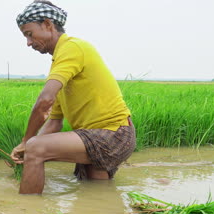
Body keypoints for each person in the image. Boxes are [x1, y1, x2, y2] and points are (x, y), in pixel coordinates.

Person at [10, 0, 136, 194]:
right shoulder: (61, 61)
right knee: (95, 192)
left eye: (29, 34)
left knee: (36, 148)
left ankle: (28, 213)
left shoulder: (72, 48)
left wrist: (28, 142)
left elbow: (45, 101)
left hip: (112, 134)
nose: (28, 43)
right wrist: (26, 150)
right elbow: (54, 123)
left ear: (48, 25)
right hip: (106, 134)